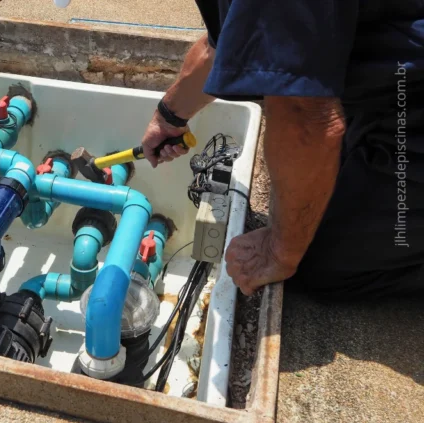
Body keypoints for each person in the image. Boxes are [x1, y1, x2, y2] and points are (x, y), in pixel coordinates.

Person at [140, 1, 423, 299]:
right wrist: (169, 116)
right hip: (390, 86)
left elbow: (305, 117)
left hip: (409, 104)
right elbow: (231, 41)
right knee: (313, 196)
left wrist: (279, 250)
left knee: (319, 259)